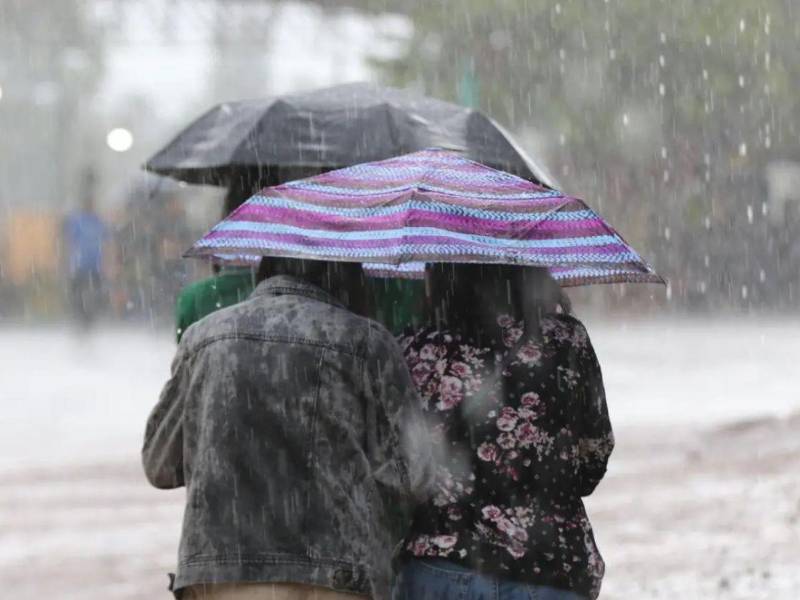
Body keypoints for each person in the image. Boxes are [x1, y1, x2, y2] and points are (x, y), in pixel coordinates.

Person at [143, 256, 432, 600]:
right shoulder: (366, 342)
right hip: (336, 574)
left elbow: (159, 465)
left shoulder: (203, 338)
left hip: (224, 573)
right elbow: (415, 474)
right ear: (348, 275)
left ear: (264, 270)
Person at [393, 264, 614, 600]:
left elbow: (397, 466)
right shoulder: (566, 341)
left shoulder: (413, 347)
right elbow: (593, 458)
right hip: (549, 567)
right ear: (529, 268)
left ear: (440, 274)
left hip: (440, 569)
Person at [63, 170, 108, 326]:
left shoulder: (97, 220)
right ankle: (80, 314)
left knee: (95, 290)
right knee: (79, 290)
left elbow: (105, 238)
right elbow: (70, 240)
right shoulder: (77, 220)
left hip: (94, 262)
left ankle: (91, 315)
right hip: (80, 263)